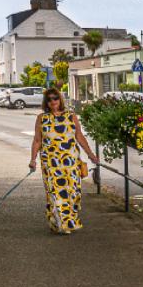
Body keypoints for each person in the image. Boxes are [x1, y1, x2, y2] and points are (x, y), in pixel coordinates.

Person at [30, 88, 98, 234]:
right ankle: (62, 224)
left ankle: (66, 221)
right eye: (49, 99)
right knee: (56, 192)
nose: (53, 101)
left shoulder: (71, 116)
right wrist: (33, 159)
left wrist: (91, 154)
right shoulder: (42, 118)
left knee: (73, 192)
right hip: (51, 162)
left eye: (55, 98)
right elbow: (37, 140)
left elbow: (79, 136)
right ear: (46, 102)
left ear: (60, 99)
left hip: (71, 162)